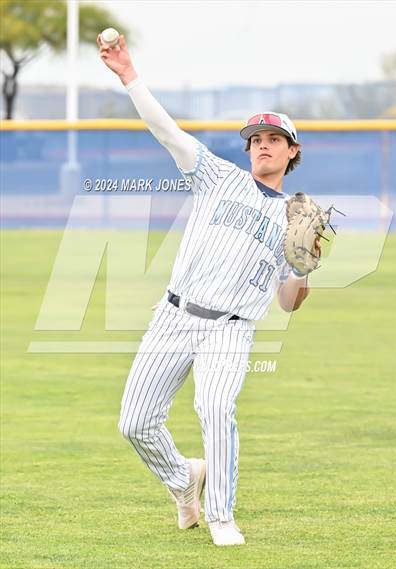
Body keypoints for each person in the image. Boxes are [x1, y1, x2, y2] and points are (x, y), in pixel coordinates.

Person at [98, 34, 320, 547]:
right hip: (174, 315)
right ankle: (183, 480)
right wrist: (129, 73)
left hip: (230, 327)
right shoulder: (217, 176)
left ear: (292, 152)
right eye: (255, 138)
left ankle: (221, 514)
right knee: (134, 422)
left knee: (216, 407)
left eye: (273, 139)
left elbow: (288, 302)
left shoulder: (296, 216)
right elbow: (166, 130)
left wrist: (304, 266)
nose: (261, 144)